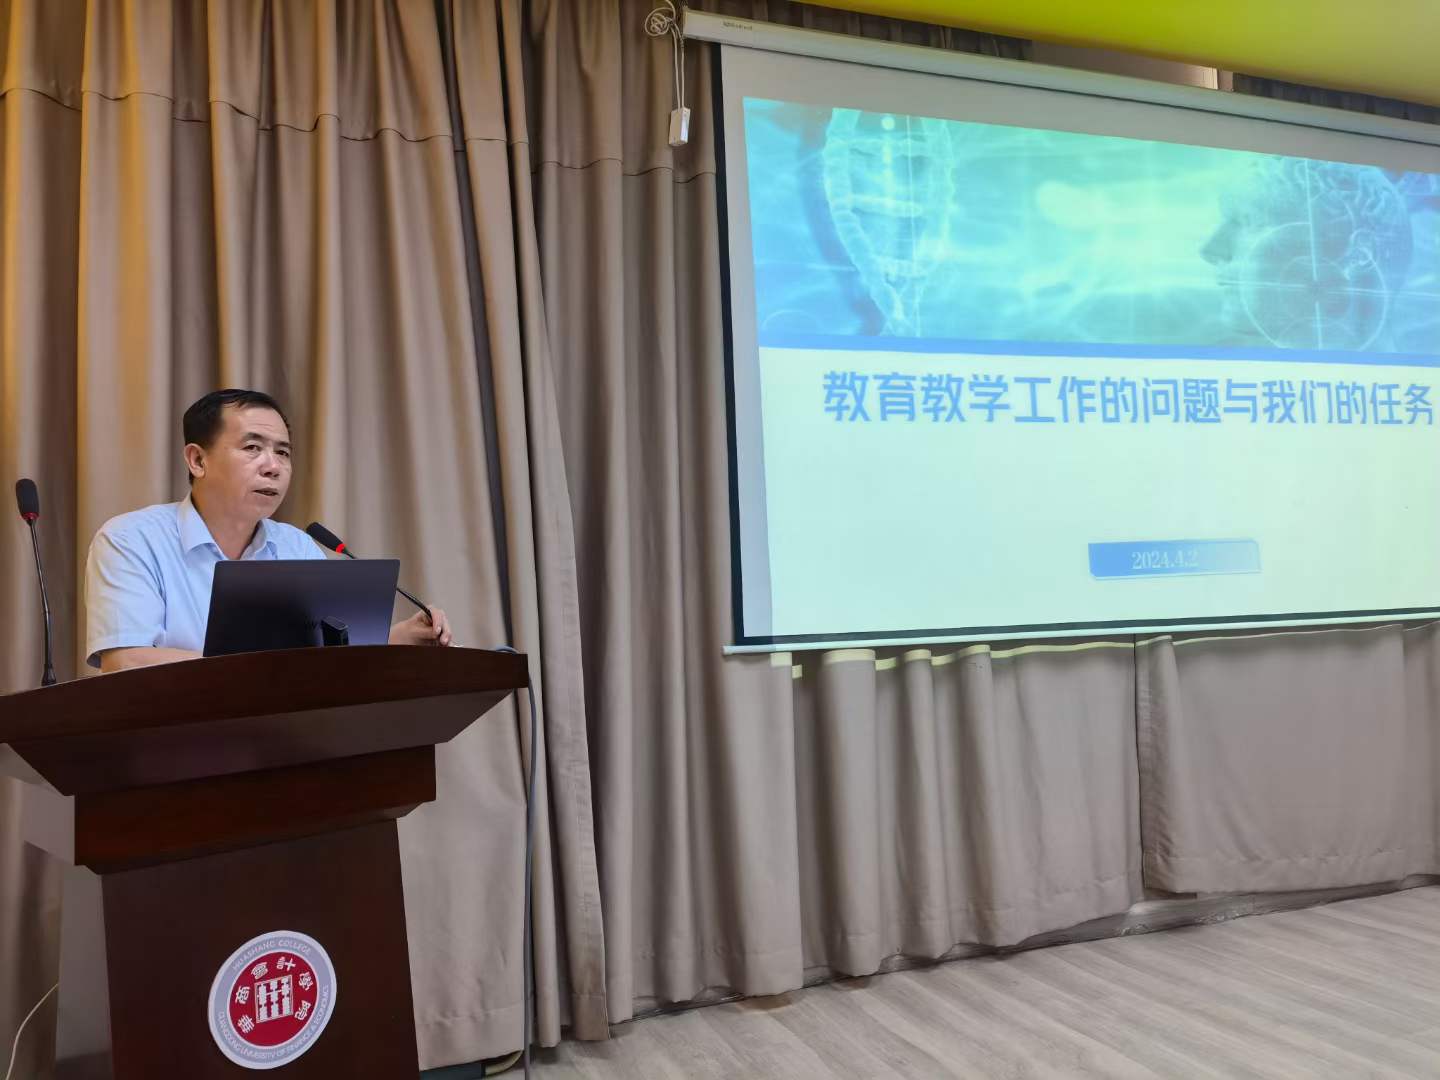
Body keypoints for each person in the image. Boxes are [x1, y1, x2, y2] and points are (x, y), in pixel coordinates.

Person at [85, 388, 451, 672]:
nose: (273, 466)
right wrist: (264, 668)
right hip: (175, 736)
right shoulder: (132, 540)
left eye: (283, 453)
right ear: (197, 460)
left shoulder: (296, 547)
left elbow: (329, 656)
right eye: (252, 447)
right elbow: (125, 662)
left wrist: (396, 639)